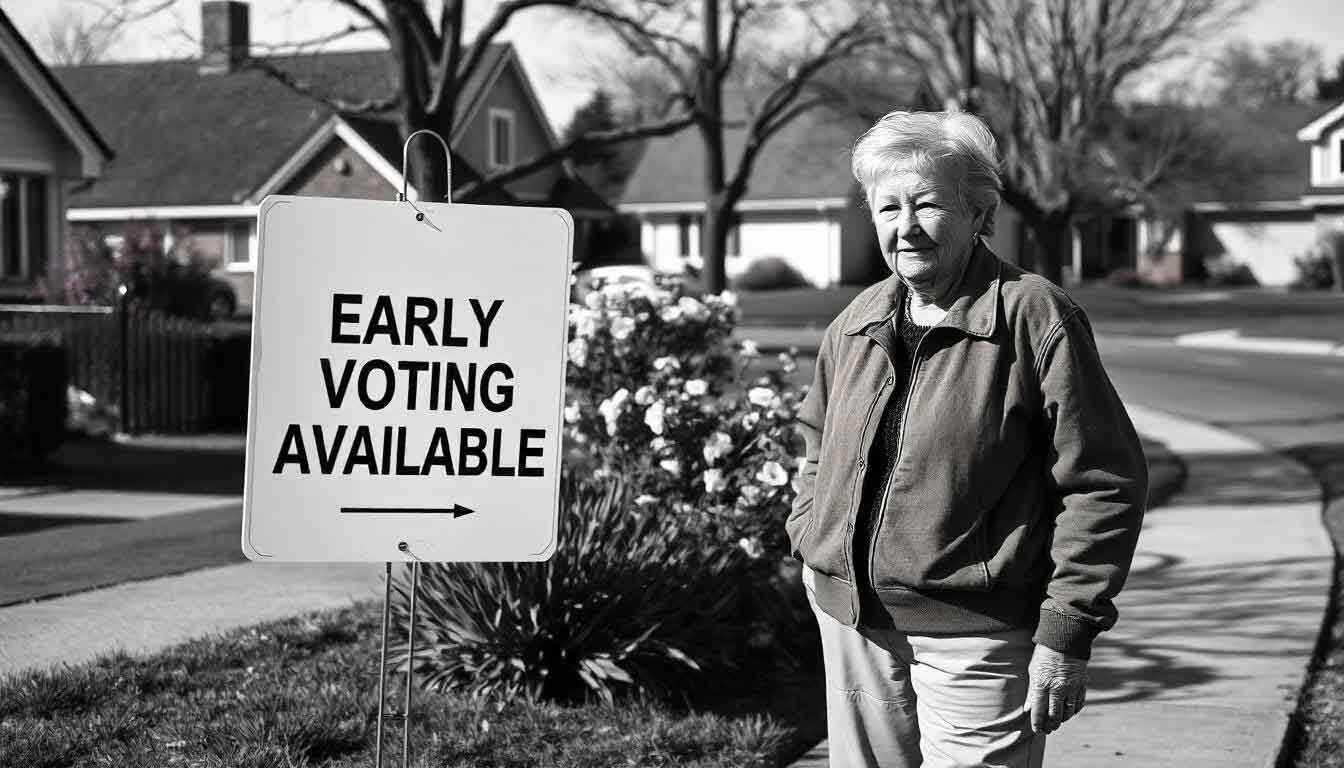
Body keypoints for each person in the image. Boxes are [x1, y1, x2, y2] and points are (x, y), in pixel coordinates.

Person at [784, 109, 1148, 767]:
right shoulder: (855, 322)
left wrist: (1067, 631)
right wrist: (812, 535)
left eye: (927, 205)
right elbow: (814, 438)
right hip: (854, 625)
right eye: (888, 207)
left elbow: (1103, 482)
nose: (906, 226)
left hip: (978, 635)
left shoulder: (1036, 316)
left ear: (979, 214)